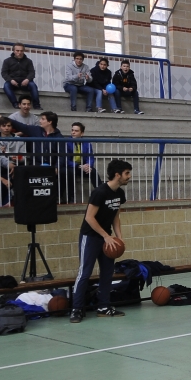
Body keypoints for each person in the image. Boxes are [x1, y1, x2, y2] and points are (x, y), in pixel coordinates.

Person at [70, 159, 133, 323]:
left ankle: (103, 307)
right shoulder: (99, 192)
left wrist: (119, 237)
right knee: (84, 273)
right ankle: (76, 309)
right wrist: (106, 236)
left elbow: (116, 216)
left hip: (108, 238)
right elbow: (89, 218)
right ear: (117, 175)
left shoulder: (119, 194)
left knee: (107, 273)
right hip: (90, 237)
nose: (129, 176)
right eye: (127, 173)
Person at [66, 121, 97, 204]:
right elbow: (66, 160)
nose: (73, 132)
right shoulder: (66, 142)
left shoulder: (87, 143)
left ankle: (101, 194)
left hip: (83, 166)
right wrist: (77, 166)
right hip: (72, 166)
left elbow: (90, 157)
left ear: (82, 133)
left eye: (76, 131)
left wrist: (88, 165)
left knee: (93, 171)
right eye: (72, 130)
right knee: (70, 172)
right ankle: (71, 198)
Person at [1, 43, 40, 108]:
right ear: (14, 51)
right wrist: (11, 80)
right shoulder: (7, 61)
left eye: (21, 51)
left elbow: (32, 73)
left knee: (33, 85)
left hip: (26, 82)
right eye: (17, 51)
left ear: (23, 51)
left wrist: (27, 79)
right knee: (6, 86)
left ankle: (36, 105)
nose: (19, 52)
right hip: (13, 82)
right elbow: (4, 73)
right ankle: (15, 104)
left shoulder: (29, 61)